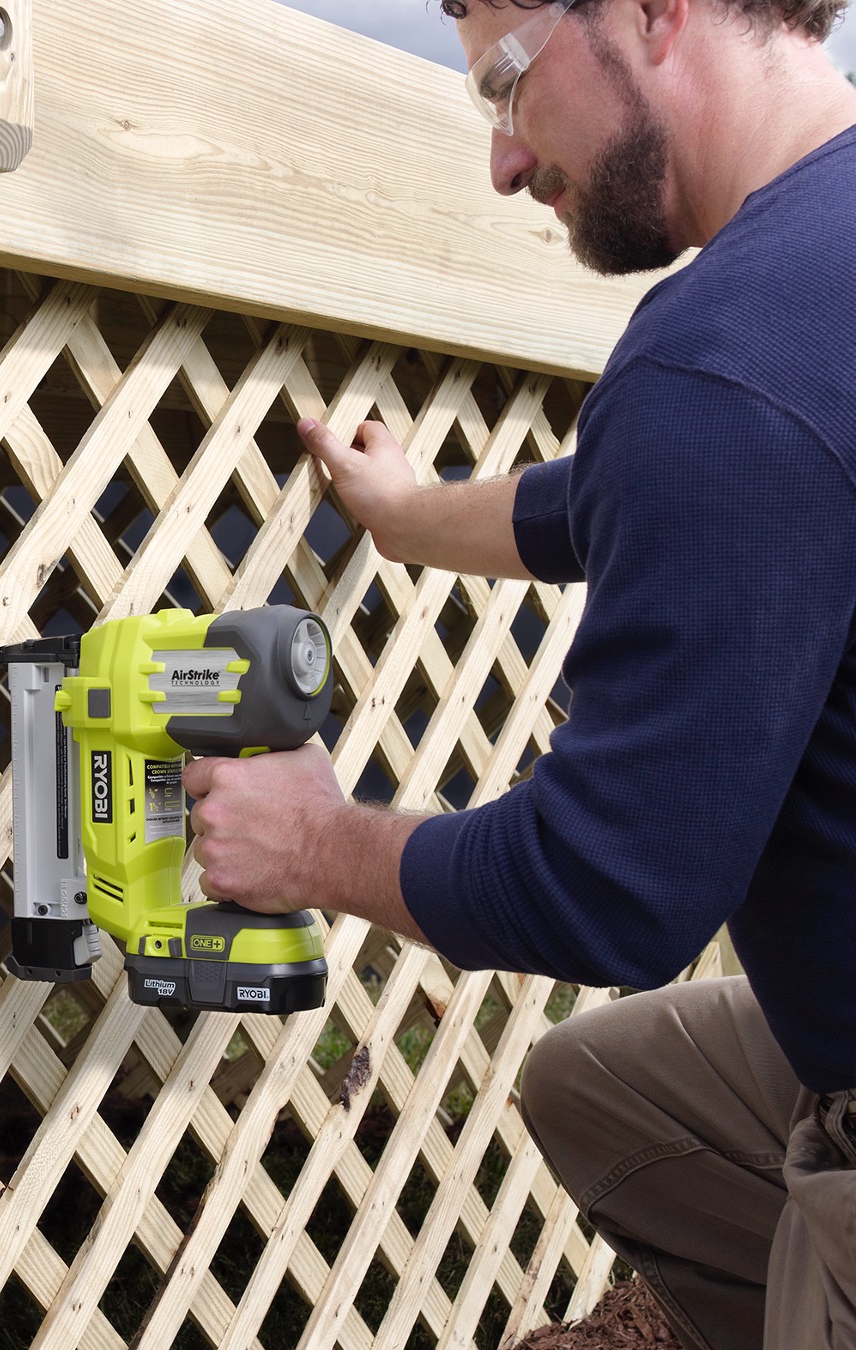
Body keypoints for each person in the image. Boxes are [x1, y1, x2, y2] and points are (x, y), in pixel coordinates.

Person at [179, 1, 855, 1345]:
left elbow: (607, 888)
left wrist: (316, 841)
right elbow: (622, 495)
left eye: (503, 78)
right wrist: (405, 511)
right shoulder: (815, 287)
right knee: (596, 1084)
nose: (502, 158)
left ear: (651, 14)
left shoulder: (719, 362)